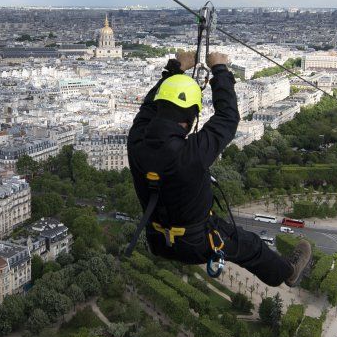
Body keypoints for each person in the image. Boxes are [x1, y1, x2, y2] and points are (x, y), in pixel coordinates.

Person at [127, 49, 311, 286]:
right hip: (197, 242)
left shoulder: (136, 142)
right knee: (252, 247)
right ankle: (288, 272)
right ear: (192, 117)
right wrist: (220, 70)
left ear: (161, 108)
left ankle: (286, 271)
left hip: (157, 239)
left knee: (246, 244)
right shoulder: (190, 153)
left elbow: (148, 108)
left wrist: (174, 70)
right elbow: (228, 117)